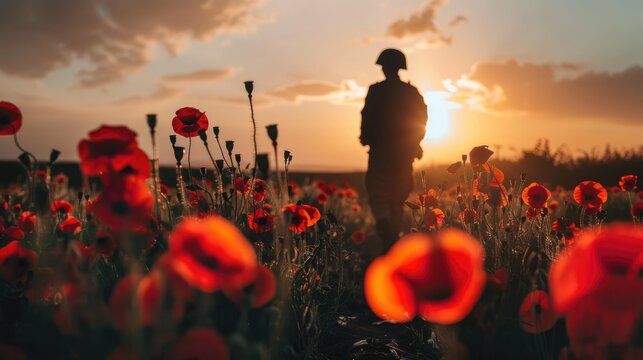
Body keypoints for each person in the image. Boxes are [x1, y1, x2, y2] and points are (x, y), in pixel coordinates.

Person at [360, 48, 428, 253]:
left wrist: (366, 138)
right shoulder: (411, 92)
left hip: (383, 152)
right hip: (401, 153)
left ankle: (387, 231)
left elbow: (367, 117)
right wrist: (414, 143)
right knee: (396, 196)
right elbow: (421, 120)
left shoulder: (376, 90)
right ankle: (390, 234)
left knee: (382, 194)